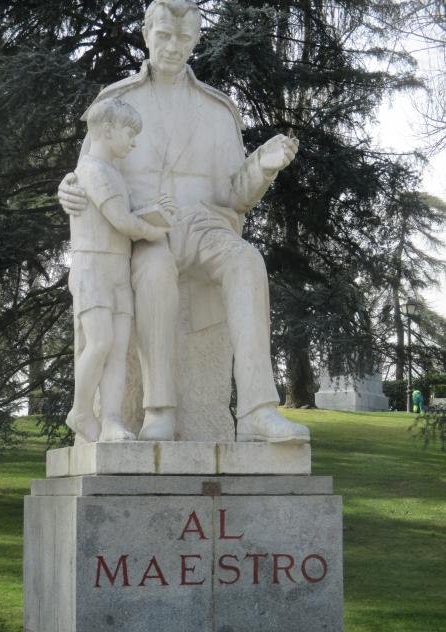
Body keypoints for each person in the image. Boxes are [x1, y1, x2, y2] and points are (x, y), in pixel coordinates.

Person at [59, 0, 310, 445]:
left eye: (183, 37)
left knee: (247, 261)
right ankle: (160, 410)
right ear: (146, 34)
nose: (173, 46)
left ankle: (256, 410)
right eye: (164, 35)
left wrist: (262, 167)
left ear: (196, 40)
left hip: (204, 225)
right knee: (155, 272)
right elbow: (87, 172)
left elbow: (234, 196)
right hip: (145, 229)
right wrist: (69, 189)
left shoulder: (217, 109)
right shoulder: (116, 102)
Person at [66, 96, 174, 443]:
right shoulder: (92, 170)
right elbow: (120, 220)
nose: (134, 141)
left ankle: (110, 419)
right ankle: (81, 411)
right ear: (107, 129)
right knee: (99, 343)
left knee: (115, 350)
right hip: (92, 267)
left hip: (117, 269)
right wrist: (155, 231)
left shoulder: (112, 171)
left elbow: (125, 214)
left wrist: (154, 209)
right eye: (129, 132)